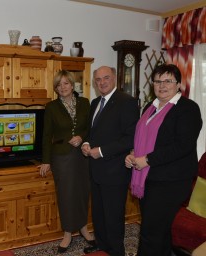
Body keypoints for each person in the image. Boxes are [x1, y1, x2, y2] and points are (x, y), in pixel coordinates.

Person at [125, 64, 202, 256]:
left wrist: (147, 160)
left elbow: (182, 146)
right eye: (158, 81)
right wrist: (133, 154)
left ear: (178, 84)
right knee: (160, 230)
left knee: (151, 232)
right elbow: (142, 139)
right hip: (148, 178)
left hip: (172, 181)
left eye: (168, 81)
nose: (162, 85)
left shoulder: (187, 109)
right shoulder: (149, 107)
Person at [82, 66, 139, 255]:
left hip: (115, 171)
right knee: (98, 213)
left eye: (106, 78)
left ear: (114, 78)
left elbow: (130, 138)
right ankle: (102, 245)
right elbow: (93, 133)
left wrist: (103, 151)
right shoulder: (95, 102)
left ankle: (116, 251)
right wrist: (87, 143)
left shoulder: (127, 102)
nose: (102, 82)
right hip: (96, 170)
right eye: (98, 79)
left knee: (113, 217)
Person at [39, 70, 95, 253]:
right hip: (61, 157)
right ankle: (68, 232)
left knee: (82, 192)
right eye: (58, 85)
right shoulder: (51, 107)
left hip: (83, 156)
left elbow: (91, 128)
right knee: (65, 194)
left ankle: (84, 228)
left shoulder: (85, 103)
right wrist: (46, 160)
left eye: (65, 83)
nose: (62, 87)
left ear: (72, 85)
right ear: (55, 88)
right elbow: (46, 135)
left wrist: (81, 136)